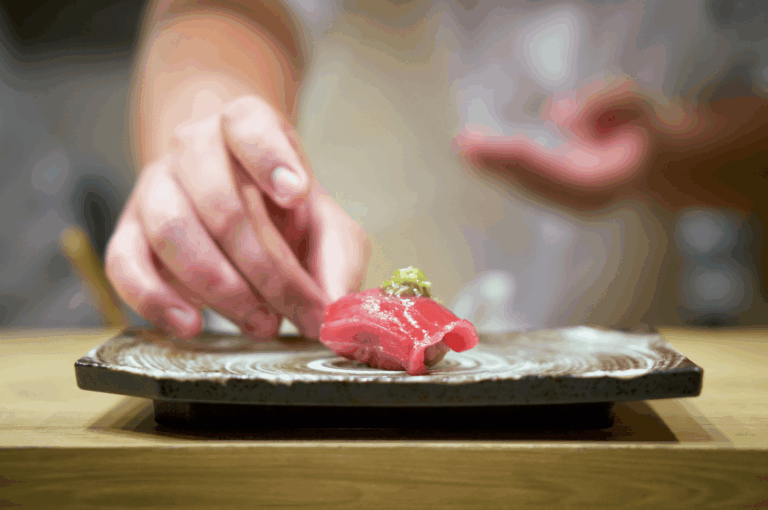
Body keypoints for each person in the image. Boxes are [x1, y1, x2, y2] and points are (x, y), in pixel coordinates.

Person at [105, 0, 768, 339]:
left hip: (623, 359)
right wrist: (211, 133)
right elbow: (219, 15)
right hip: (310, 350)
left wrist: (677, 152)